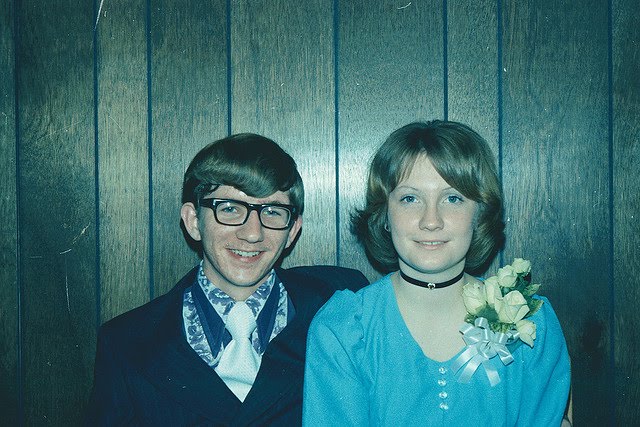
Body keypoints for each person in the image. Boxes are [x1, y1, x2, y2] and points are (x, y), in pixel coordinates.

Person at [85, 133, 368, 426]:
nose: (252, 233)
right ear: (194, 221)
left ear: (292, 230)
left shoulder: (341, 306)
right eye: (230, 208)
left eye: (273, 211)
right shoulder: (129, 343)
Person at [303, 121, 571, 426]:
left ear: (480, 214)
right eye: (410, 199)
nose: (431, 221)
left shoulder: (530, 322)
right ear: (385, 214)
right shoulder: (345, 329)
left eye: (453, 198)